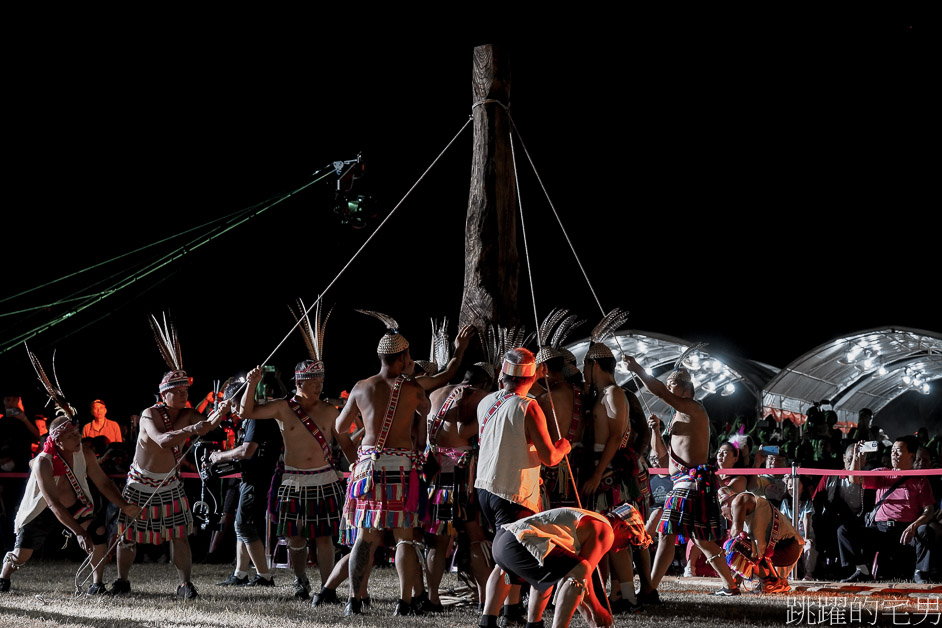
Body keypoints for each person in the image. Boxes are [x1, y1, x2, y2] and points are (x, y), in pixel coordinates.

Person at [113, 315, 222, 599]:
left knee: (179, 535)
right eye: (179, 391)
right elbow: (162, 441)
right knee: (127, 536)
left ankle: (185, 584)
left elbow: (210, 425)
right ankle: (122, 580)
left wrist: (223, 408)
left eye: (186, 390)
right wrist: (192, 428)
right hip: (140, 484)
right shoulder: (150, 414)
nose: (185, 394)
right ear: (165, 394)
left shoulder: (187, 412)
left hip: (169, 484)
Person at [334, 311, 431, 617]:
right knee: (404, 536)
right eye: (408, 356)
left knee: (365, 535)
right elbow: (424, 422)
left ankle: (354, 599)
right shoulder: (413, 389)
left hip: (367, 468)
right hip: (401, 465)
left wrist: (354, 459)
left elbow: (339, 428)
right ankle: (404, 602)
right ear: (402, 358)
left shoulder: (361, 387)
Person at [623, 354, 740, 600]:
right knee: (701, 540)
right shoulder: (677, 416)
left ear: (687, 389)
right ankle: (730, 585)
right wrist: (655, 431)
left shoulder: (694, 409)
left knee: (667, 533)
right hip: (682, 482)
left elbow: (658, 391)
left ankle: (649, 589)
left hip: (690, 484)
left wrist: (637, 369)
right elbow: (664, 459)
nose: (667, 388)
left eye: (672, 384)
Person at [475, 347, 571, 628]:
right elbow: (549, 458)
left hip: (486, 487)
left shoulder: (487, 402)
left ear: (502, 375)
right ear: (532, 377)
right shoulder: (527, 406)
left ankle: (508, 613)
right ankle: (494, 620)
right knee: (512, 558)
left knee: (509, 556)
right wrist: (563, 446)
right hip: (512, 492)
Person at [1, 413, 142, 594]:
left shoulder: (85, 452)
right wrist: (80, 533)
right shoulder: (43, 462)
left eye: (77, 433)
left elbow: (103, 482)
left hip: (74, 506)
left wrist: (124, 505)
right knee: (21, 555)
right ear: (58, 441)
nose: (78, 438)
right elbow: (53, 503)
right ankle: (3, 577)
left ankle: (97, 584)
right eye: (71, 436)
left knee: (98, 531)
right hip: (42, 510)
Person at [488, 502, 651, 628]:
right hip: (519, 543)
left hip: (502, 542)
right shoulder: (606, 529)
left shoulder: (590, 518)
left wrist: (592, 618)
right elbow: (581, 577)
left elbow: (576, 586)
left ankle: (491, 621)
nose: (622, 547)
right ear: (621, 525)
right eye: (629, 539)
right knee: (581, 569)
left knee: (554, 573)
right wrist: (596, 610)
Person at [423, 363, 493, 611]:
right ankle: (486, 600)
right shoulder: (479, 396)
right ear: (484, 384)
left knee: (438, 540)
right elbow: (466, 429)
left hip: (436, 472)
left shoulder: (435, 393)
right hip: (463, 473)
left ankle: (432, 598)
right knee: (476, 536)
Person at [210, 376, 281, 588]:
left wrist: (219, 456)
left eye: (232, 404)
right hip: (252, 476)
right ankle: (240, 573)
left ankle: (264, 576)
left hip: (258, 477)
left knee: (244, 524)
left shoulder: (256, 418)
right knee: (241, 524)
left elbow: (247, 450)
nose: (233, 410)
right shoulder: (252, 417)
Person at [838, 435, 937, 583]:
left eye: (898, 451)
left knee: (926, 531)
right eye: (892, 451)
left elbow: (929, 510)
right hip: (880, 530)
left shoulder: (920, 480)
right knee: (844, 530)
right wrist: (857, 457)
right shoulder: (882, 473)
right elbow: (854, 479)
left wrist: (915, 526)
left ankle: (920, 572)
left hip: (906, 530)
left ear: (911, 455)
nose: (893, 454)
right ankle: (862, 570)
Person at [717, 486, 804, 593]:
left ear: (725, 504)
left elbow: (735, 533)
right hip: (787, 548)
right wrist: (735, 578)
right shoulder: (747, 507)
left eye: (721, 511)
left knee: (732, 545)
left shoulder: (739, 499)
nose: (723, 515)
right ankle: (774, 582)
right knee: (738, 545)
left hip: (786, 546)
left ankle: (771, 582)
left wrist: (724, 558)